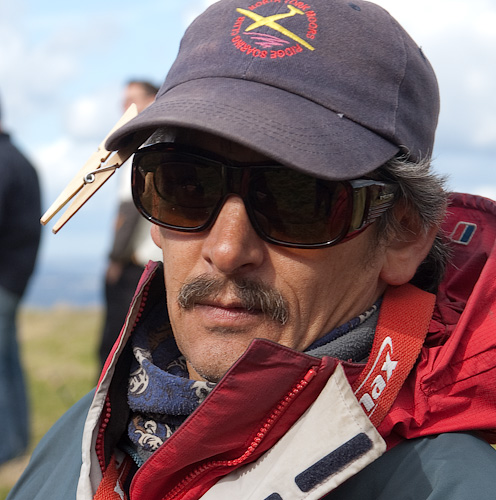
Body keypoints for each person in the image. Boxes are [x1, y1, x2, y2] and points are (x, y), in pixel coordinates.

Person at [8, 0, 496, 498]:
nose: (225, 248)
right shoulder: (82, 437)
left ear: (404, 235)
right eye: (185, 187)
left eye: (299, 201)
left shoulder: (447, 484)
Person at [98, 80, 162, 368]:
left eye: (132, 101)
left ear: (153, 99)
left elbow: (129, 208)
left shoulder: (141, 144)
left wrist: (115, 259)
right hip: (159, 262)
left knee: (115, 346)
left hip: (137, 265)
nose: (125, 109)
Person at [0, 95, 41, 464]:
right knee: (7, 360)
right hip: (13, 278)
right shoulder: (20, 159)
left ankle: (4, 448)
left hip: (2, 280)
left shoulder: (3, 162)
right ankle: (14, 442)